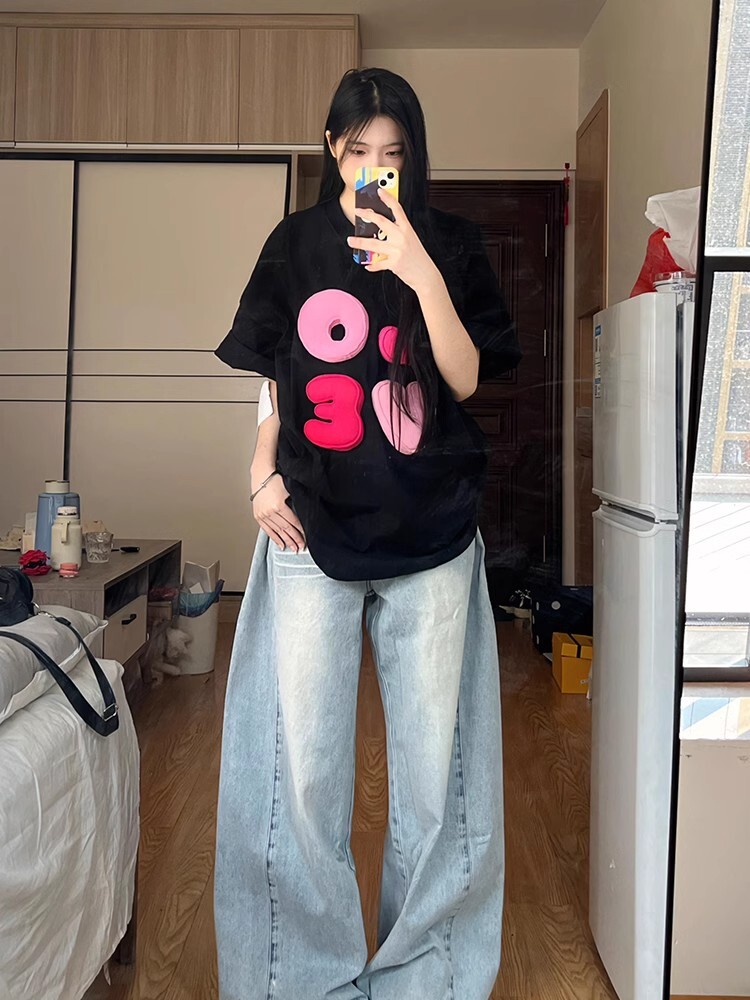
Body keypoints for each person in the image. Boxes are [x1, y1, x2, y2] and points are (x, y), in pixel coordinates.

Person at [213, 66, 522, 1000]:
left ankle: (425, 978)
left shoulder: (451, 244)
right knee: (303, 774)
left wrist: (418, 268)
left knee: (433, 781)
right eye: (358, 153)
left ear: (413, 158)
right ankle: (303, 977)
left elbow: (464, 377)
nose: (374, 170)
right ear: (332, 151)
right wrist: (259, 472)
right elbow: (276, 377)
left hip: (433, 534)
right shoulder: (295, 244)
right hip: (310, 528)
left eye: (393, 154)